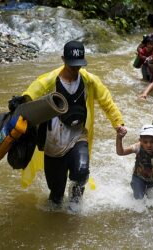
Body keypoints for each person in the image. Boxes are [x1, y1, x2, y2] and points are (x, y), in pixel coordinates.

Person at [20, 41, 127, 209]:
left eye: (79, 65)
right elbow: (28, 96)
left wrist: (118, 123)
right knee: (56, 195)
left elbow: (107, 102)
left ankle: (75, 207)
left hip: (78, 135)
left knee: (81, 172)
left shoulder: (89, 80)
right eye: (72, 65)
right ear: (63, 59)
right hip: (54, 140)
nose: (76, 69)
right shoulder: (49, 81)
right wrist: (18, 104)